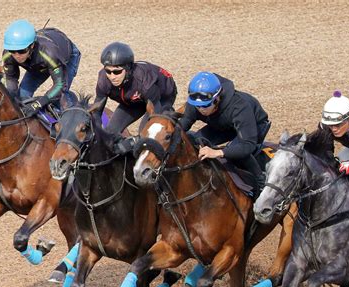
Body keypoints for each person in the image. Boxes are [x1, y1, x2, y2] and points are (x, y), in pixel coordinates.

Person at [179, 71, 270, 199]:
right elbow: (182, 125)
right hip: (222, 125)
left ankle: (261, 182)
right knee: (195, 139)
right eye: (197, 106)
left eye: (206, 105)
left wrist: (219, 152)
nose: (201, 109)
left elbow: (247, 145)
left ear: (217, 98)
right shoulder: (196, 102)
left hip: (253, 125)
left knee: (237, 153)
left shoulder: (239, 106)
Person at [94, 42, 177, 139]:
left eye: (117, 72)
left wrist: (138, 140)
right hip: (133, 99)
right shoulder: (103, 79)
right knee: (110, 132)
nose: (112, 77)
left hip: (161, 97)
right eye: (108, 71)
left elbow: (155, 112)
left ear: (128, 69)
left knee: (146, 134)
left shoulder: (143, 80)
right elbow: (97, 112)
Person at [2, 19, 81, 115]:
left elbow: (59, 85)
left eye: (21, 50)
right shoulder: (8, 55)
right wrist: (11, 98)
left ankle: (74, 119)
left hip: (65, 57)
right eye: (12, 51)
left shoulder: (50, 53)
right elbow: (11, 79)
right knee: (21, 97)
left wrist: (38, 104)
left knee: (61, 99)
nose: (17, 55)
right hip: (37, 65)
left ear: (32, 46)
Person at [320, 91, 349, 176]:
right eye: (330, 125)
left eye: (338, 124)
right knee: (339, 164)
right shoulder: (326, 125)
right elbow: (325, 148)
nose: (334, 129)